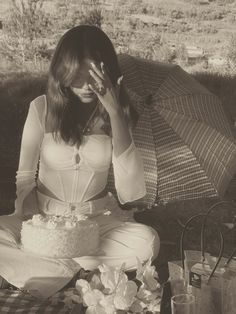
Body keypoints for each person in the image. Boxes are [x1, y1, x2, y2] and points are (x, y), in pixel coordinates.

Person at [0, 25, 160, 298]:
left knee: (147, 242)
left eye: (95, 77)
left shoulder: (119, 115)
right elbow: (25, 177)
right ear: (63, 73)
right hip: (44, 218)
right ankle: (73, 272)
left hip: (96, 223)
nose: (86, 86)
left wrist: (115, 113)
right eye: (78, 76)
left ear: (109, 74)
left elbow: (131, 192)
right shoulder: (41, 108)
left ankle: (46, 271)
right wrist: (31, 219)